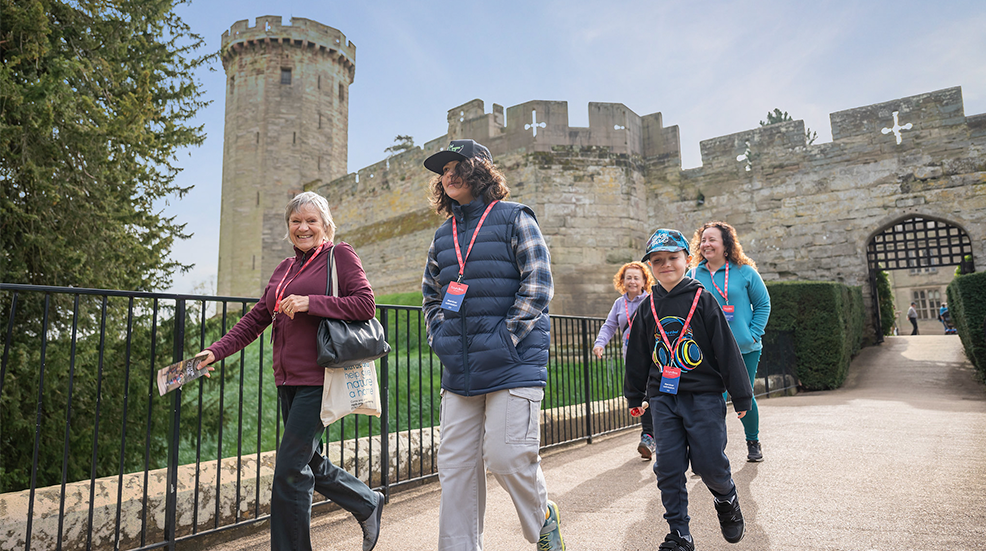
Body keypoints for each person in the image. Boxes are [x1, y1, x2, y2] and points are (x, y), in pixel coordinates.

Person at [195, 192, 384, 551]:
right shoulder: (284, 268)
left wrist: (311, 303)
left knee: (289, 473)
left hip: (320, 378)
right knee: (308, 460)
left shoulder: (338, 255)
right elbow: (256, 319)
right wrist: (214, 352)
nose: (303, 227)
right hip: (288, 380)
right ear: (288, 227)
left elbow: (365, 304)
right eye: (296, 221)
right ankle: (367, 502)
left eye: (312, 220)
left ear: (326, 225)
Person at [421, 139, 564, 551]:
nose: (447, 174)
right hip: (460, 365)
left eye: (456, 166)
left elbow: (537, 285)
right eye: (442, 170)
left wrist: (505, 337)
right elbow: (431, 294)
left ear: (480, 170)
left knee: (507, 457)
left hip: (511, 361)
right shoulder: (443, 234)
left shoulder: (514, 217)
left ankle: (543, 520)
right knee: (455, 468)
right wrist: (439, 337)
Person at [624, 228, 753, 551]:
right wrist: (634, 394)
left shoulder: (703, 299)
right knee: (667, 466)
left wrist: (741, 394)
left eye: (672, 258)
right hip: (663, 397)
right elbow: (638, 354)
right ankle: (679, 533)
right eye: (658, 260)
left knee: (710, 464)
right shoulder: (648, 306)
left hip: (704, 395)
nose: (666, 265)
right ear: (650, 266)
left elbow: (726, 349)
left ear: (688, 260)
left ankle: (726, 497)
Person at [688, 221, 771, 462]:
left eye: (712, 239)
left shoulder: (745, 271)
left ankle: (752, 441)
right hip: (707, 351)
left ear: (726, 244)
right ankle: (709, 451)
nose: (706, 244)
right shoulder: (693, 274)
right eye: (703, 240)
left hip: (744, 348)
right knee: (712, 399)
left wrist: (753, 333)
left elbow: (763, 304)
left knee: (744, 394)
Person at [592, 261, 658, 460]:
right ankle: (651, 436)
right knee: (637, 397)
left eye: (636, 277)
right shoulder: (619, 304)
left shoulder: (652, 300)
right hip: (631, 360)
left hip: (652, 358)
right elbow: (609, 325)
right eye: (628, 277)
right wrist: (600, 343)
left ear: (644, 281)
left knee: (651, 394)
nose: (632, 281)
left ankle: (650, 436)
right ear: (622, 280)